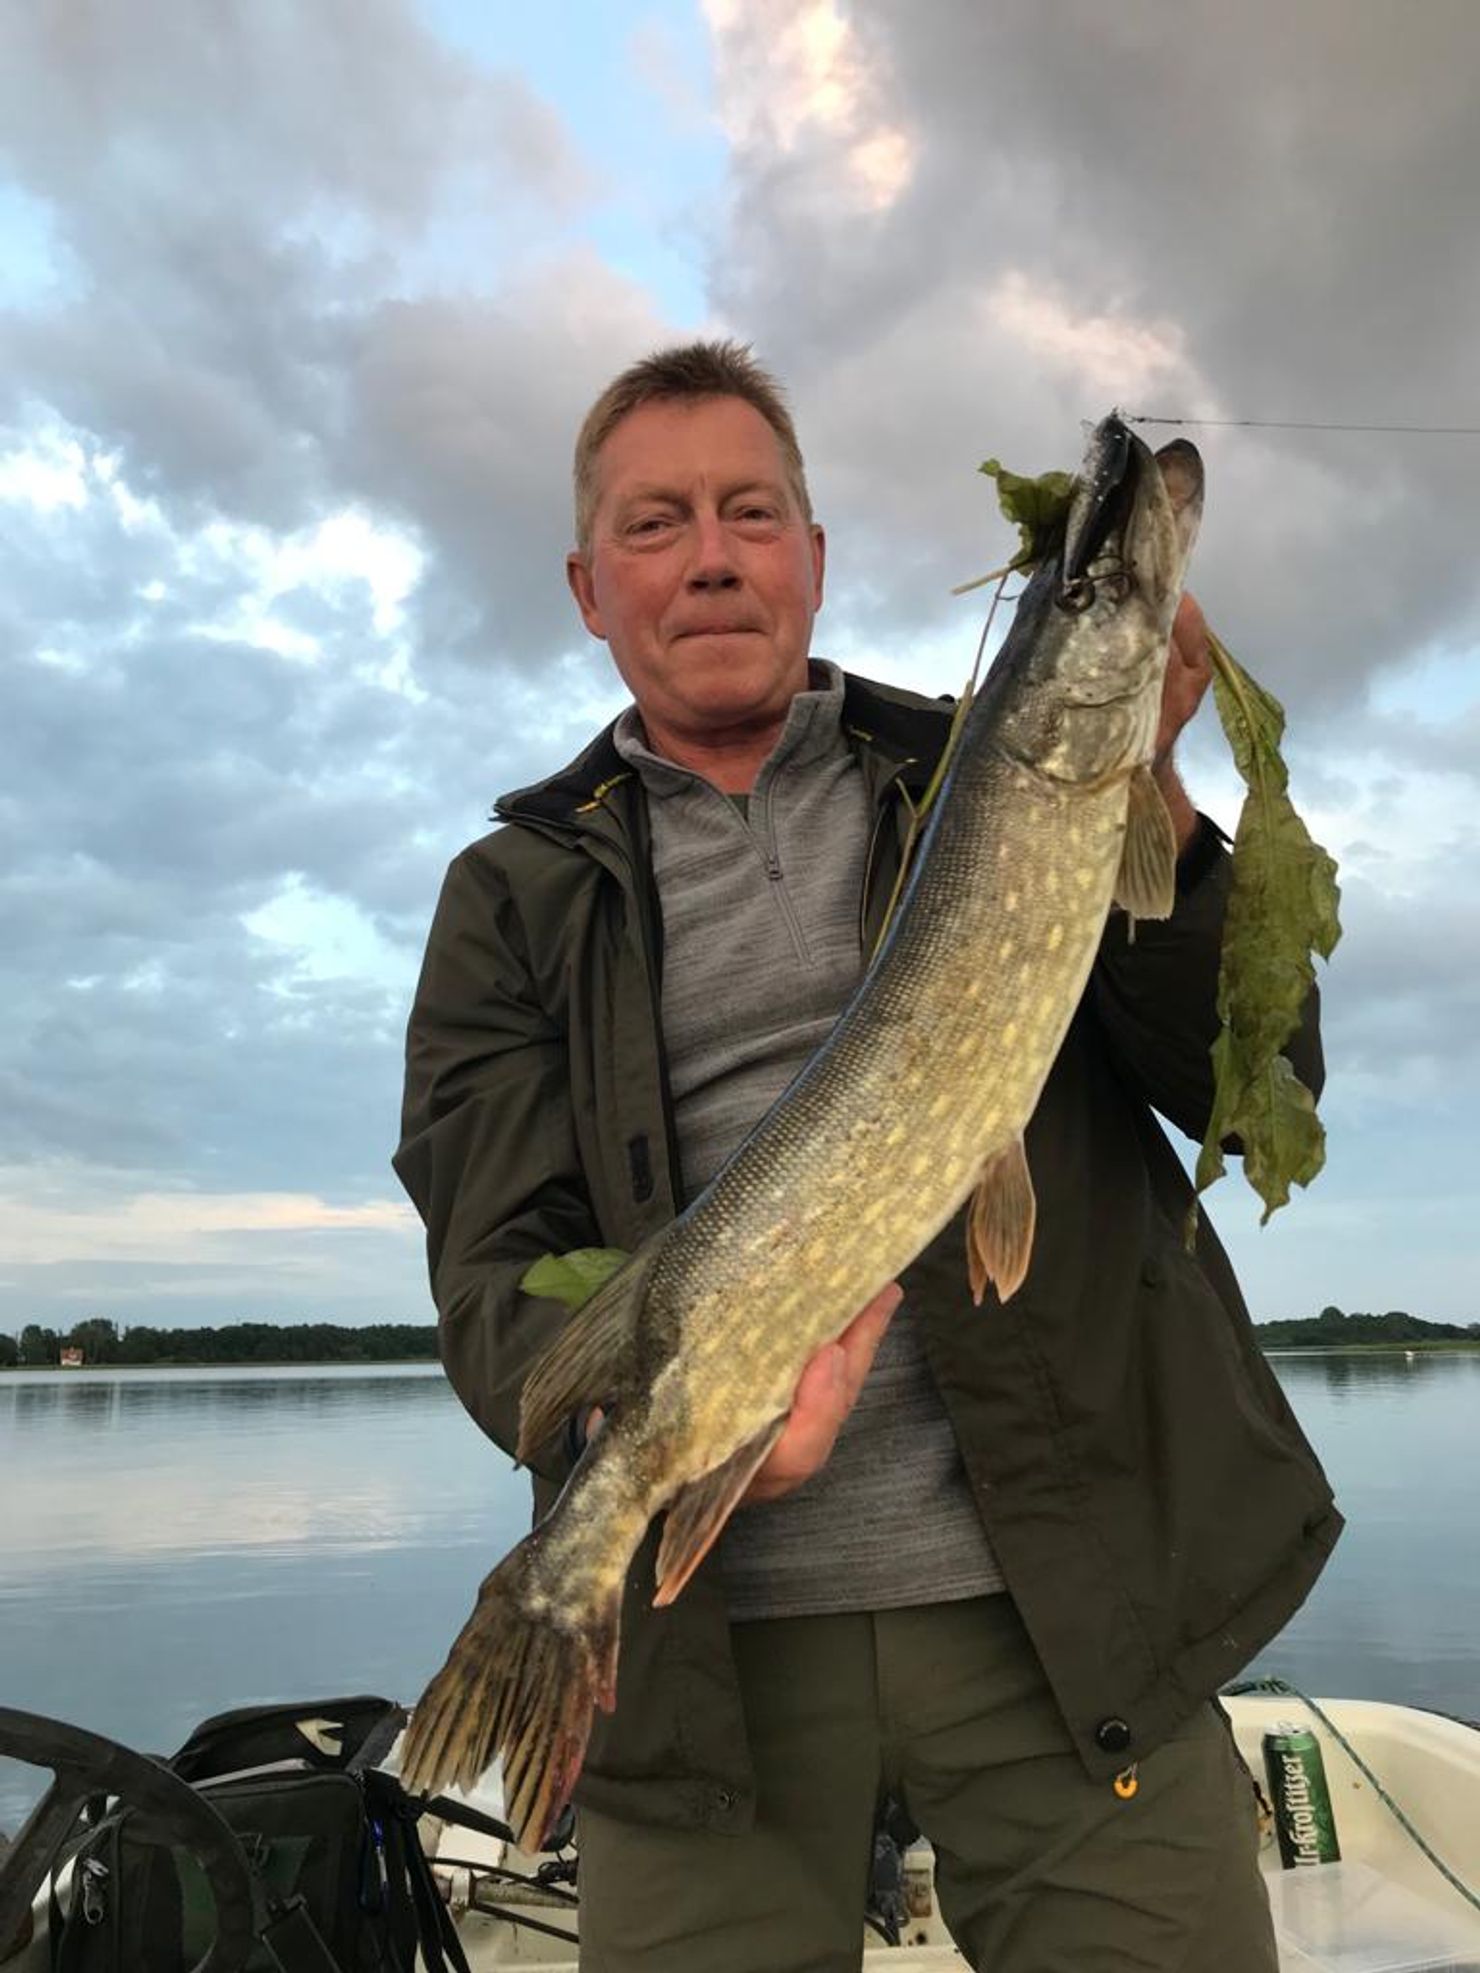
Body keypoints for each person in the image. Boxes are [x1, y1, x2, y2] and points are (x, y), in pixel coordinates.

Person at [394, 341, 1339, 1972]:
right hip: (704, 1668)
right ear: (588, 588)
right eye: (657, 522)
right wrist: (660, 1434)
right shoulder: (510, 896)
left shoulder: (981, 768)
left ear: (815, 559)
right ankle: (556, 1594)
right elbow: (497, 1259)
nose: (711, 554)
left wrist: (1164, 800)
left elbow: (1256, 1092)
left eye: (752, 511)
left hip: (1068, 1607)